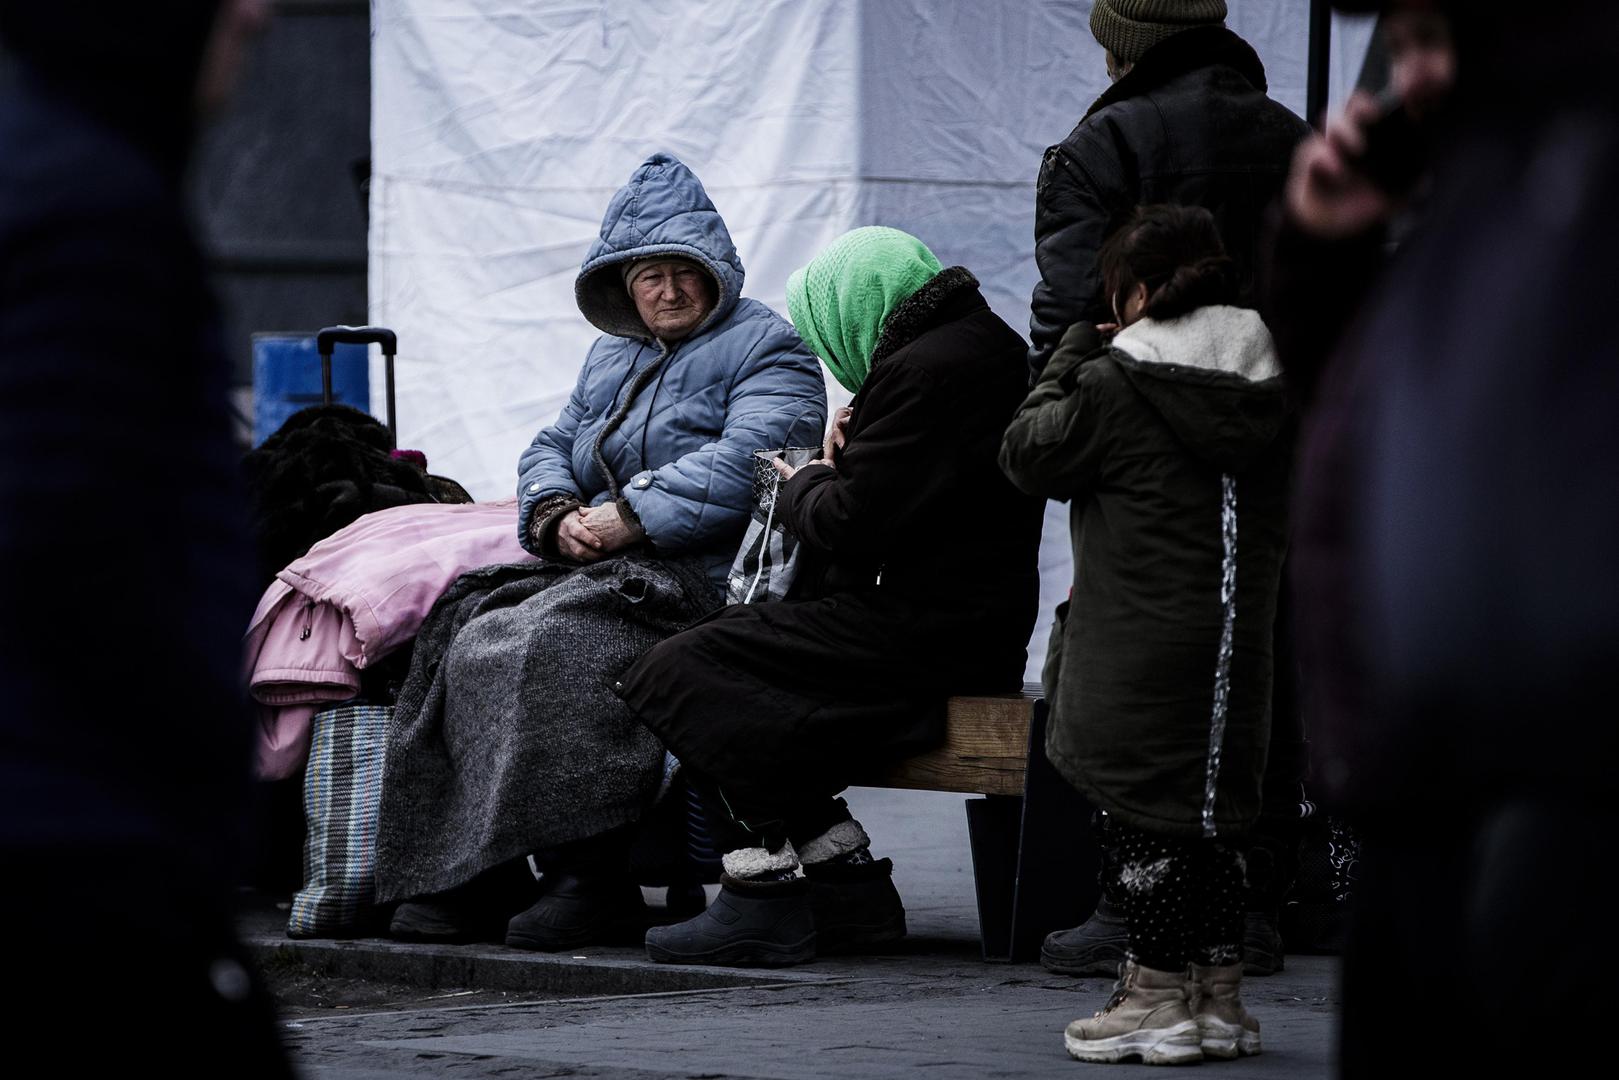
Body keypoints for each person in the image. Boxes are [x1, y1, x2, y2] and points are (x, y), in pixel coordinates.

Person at [1269, 1, 1618, 1073]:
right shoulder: (1472, 192)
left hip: (1547, 784)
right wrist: (1324, 255)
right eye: (1402, 45)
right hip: (1416, 767)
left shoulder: (1568, 172)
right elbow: (1365, 431)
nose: (1414, 76)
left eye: (1438, 38)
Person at [375, 152, 826, 950]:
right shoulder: (612, 355)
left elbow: (758, 459)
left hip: (703, 579)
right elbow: (551, 443)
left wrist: (629, 516)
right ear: (622, 285)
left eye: (684, 271)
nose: (668, 290)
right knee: (465, 631)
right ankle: (475, 869)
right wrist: (553, 514)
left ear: (715, 271)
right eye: (648, 275)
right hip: (614, 569)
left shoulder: (767, 347)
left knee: (553, 644)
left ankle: (593, 876)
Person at [616, 227, 1045, 967]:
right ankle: (848, 886)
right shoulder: (976, 348)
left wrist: (802, 478)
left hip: (924, 632)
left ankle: (762, 897)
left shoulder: (926, 369)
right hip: (964, 622)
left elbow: (849, 522)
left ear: (854, 308)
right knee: (718, 655)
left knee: (678, 669)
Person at [0, 1, 291, 1072]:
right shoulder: (92, 213)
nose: (257, 15)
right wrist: (197, 771)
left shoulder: (57, 178)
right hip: (76, 838)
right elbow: (75, 544)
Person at [1029, 0, 1312, 979]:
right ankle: (1249, 902)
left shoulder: (1100, 144)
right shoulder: (1292, 138)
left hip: (1140, 445)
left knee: (1134, 669)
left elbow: (1071, 310)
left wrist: (1058, 417)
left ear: (1120, 43)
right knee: (1256, 655)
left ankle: (1136, 909)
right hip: (1280, 435)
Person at [1001, 205, 1290, 1064]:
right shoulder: (1281, 379)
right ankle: (1217, 999)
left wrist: (1071, 353)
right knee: (1212, 818)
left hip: (1135, 639)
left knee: (1140, 817)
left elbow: (1026, 455)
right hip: (1241, 642)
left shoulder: (1114, 380)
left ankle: (1153, 999)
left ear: (1129, 292)